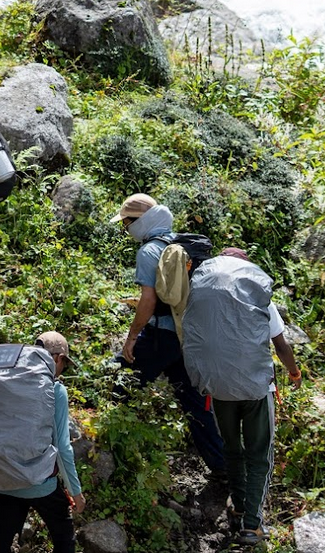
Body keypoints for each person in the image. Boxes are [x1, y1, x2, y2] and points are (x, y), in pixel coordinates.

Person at [182, 247, 302, 546]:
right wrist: (294, 373)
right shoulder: (257, 296)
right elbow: (281, 345)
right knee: (259, 454)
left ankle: (237, 506)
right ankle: (252, 525)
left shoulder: (203, 299)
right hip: (255, 389)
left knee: (233, 449)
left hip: (219, 387)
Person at [110, 193, 225, 475]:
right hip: (188, 338)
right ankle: (223, 467)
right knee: (195, 405)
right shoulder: (180, 244)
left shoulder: (149, 251)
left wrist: (132, 337)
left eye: (126, 223)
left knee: (116, 380)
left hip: (161, 336)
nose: (125, 228)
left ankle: (107, 440)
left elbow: (148, 300)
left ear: (139, 221)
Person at [0, 332, 86, 553]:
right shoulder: (55, 390)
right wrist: (75, 491)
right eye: (63, 363)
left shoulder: (8, 383)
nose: (62, 369)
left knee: (2, 544)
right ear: (57, 358)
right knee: (65, 542)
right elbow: (62, 447)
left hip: (4, 478)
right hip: (40, 483)